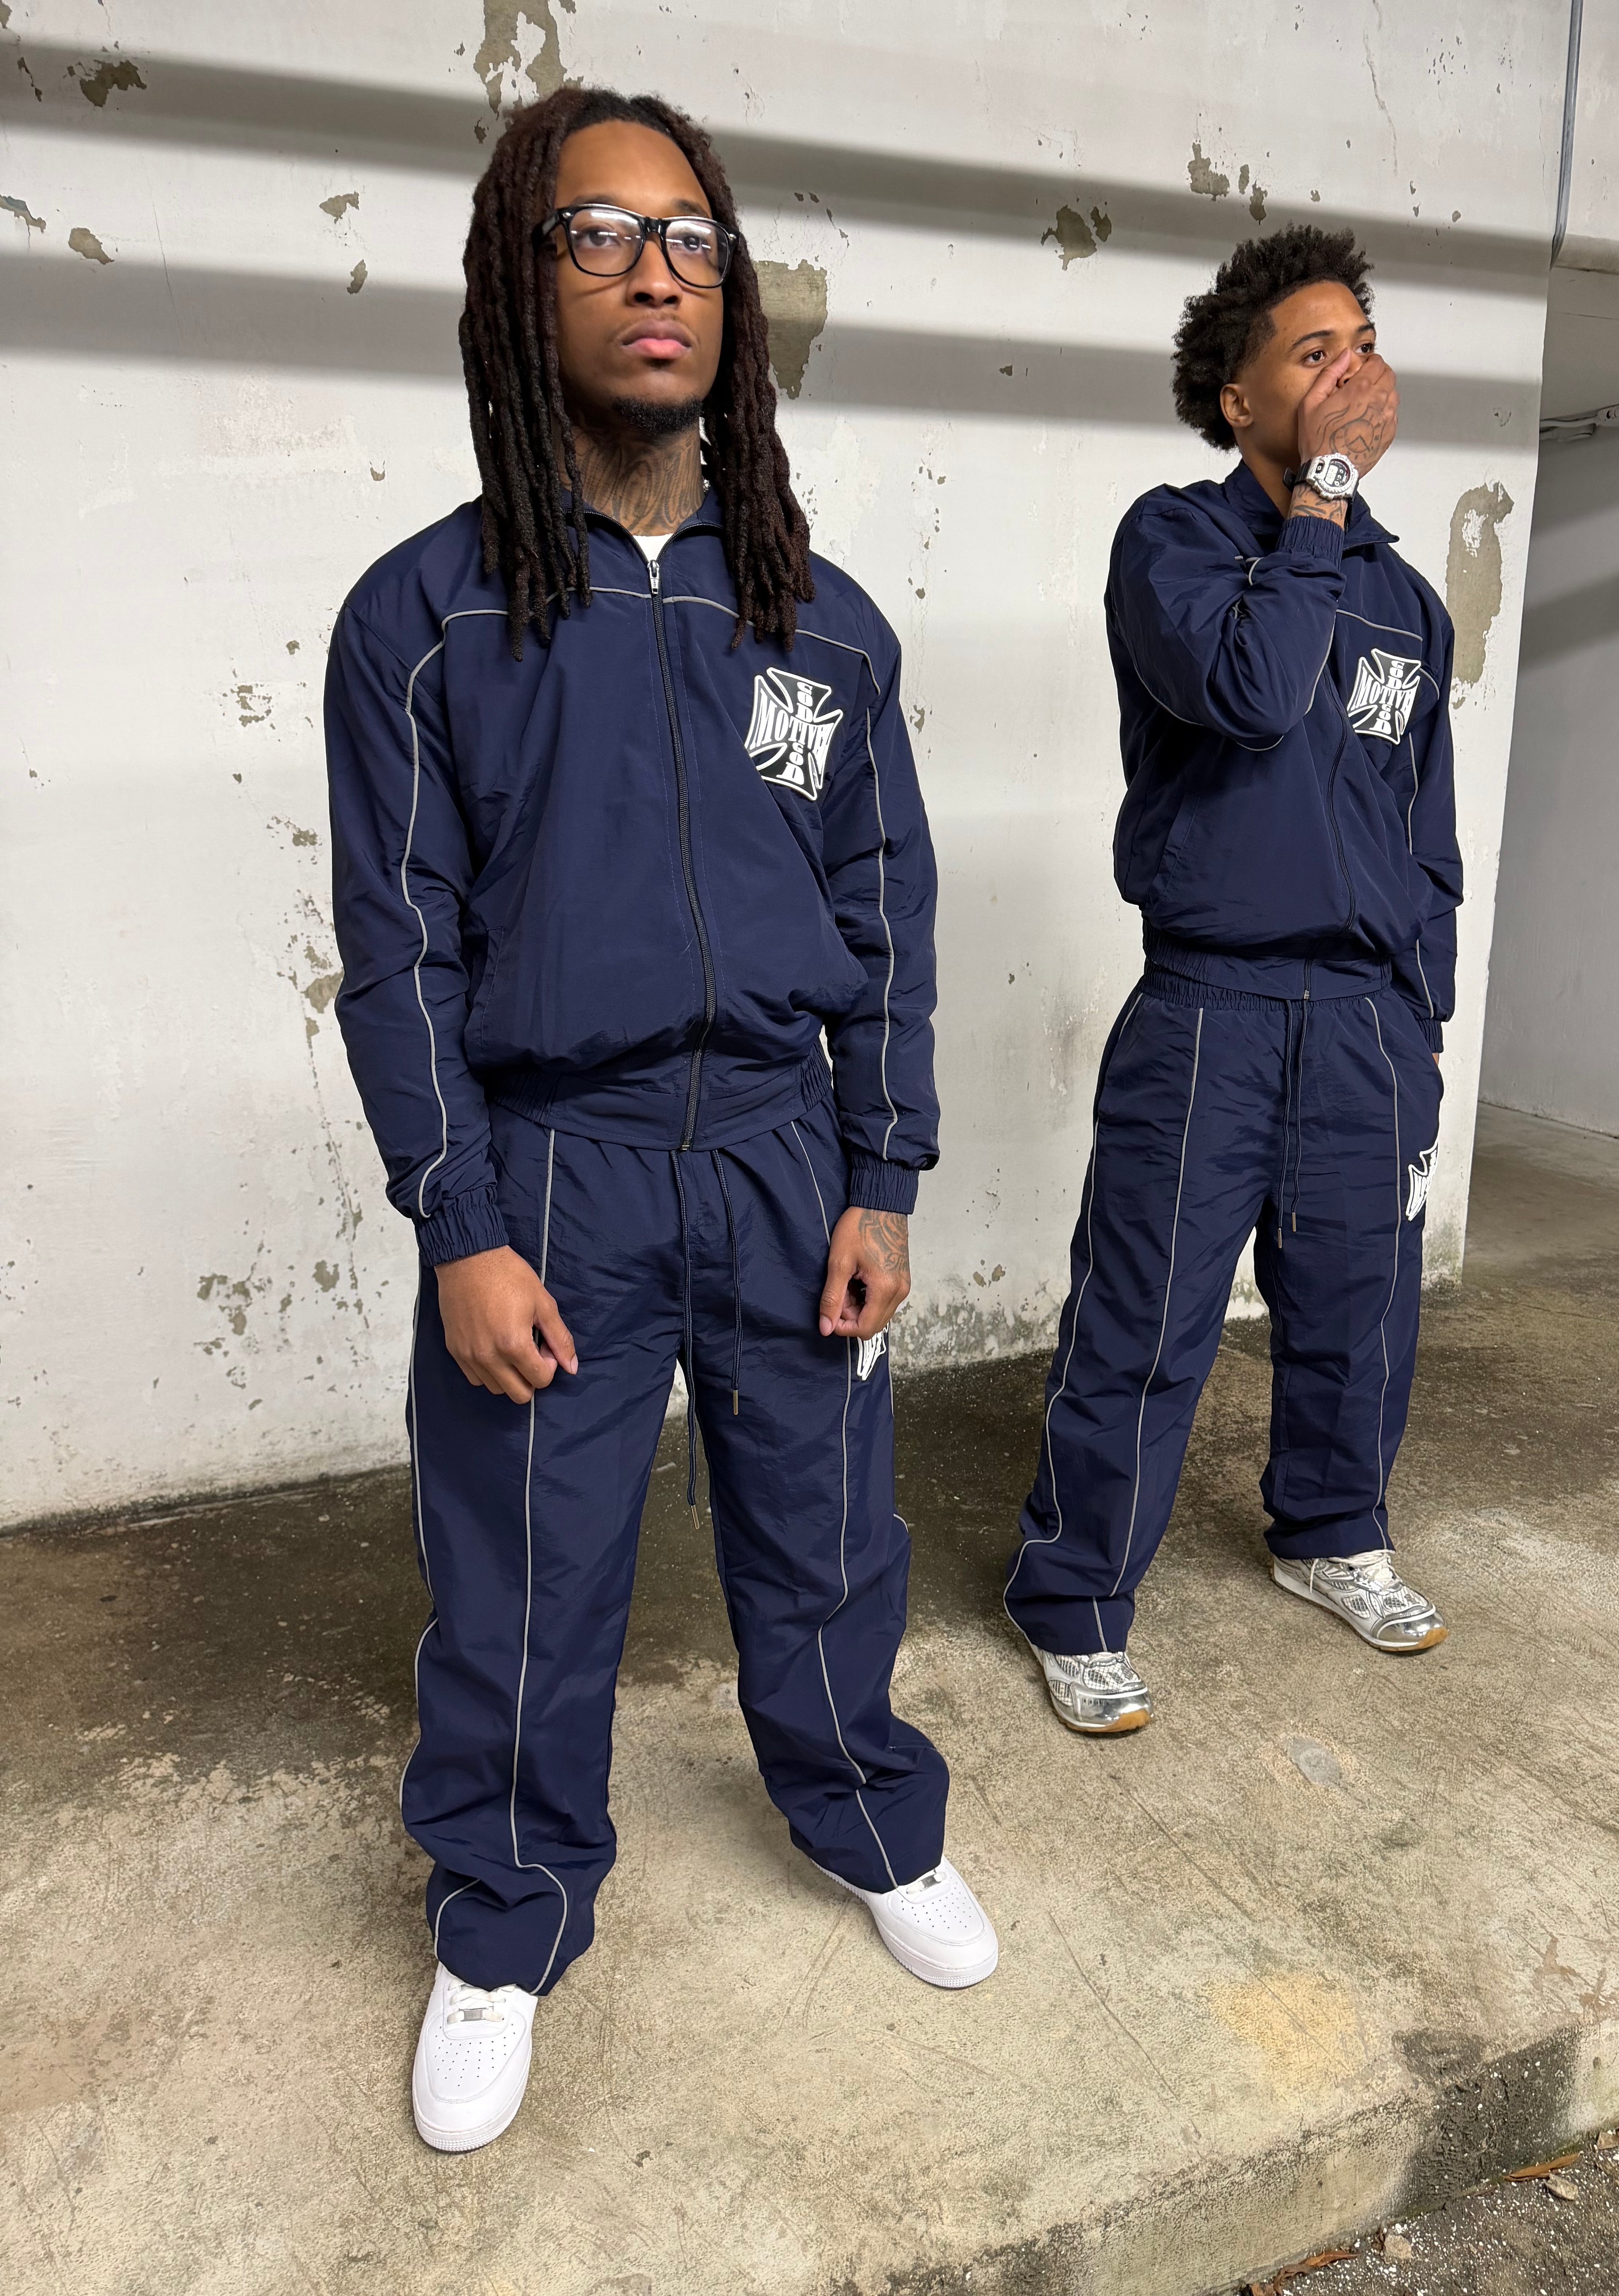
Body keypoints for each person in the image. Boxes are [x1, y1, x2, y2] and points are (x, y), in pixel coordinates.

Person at [325, 84, 997, 2155]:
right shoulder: (428, 616)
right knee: (523, 1573)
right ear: (519, 283)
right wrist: (460, 1222)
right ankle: (505, 1919)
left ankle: (869, 1814)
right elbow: (400, 951)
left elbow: (885, 913)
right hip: (556, 1166)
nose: (658, 274)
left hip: (787, 1152)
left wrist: (884, 1170)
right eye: (602, 233)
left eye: (694, 238)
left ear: (734, 298)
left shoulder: (825, 620)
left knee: (827, 1532)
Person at [1005, 225, 1461, 1737]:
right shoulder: (1176, 544)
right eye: (1312, 354)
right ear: (1238, 398)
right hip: (1212, 1005)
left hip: (1364, 1021)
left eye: (1362, 348)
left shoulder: (1406, 600)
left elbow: (1426, 830)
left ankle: (1331, 1534)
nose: (1351, 375)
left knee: (1359, 1305)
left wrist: (1425, 1020)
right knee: (1146, 1320)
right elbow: (1254, 694)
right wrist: (1323, 498)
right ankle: (1073, 1599)